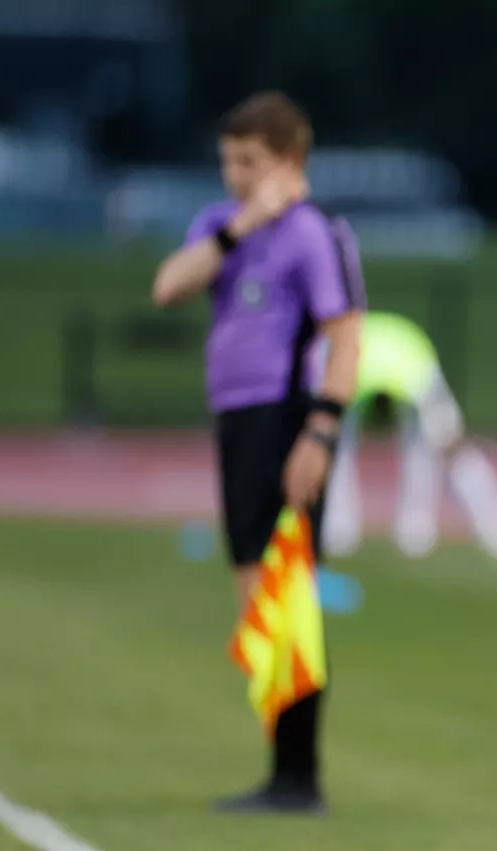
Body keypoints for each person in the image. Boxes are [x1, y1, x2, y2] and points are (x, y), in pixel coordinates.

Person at [151, 91, 365, 814]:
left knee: (286, 593)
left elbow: (345, 335)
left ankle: (297, 775)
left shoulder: (312, 233)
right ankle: (284, 769)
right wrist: (242, 223)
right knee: (256, 597)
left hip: (287, 419)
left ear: (289, 162)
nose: (235, 174)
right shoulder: (224, 226)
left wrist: (322, 431)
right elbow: (168, 287)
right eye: (228, 162)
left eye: (250, 162)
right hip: (239, 421)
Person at [321, 311, 497, 565]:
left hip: (415, 364)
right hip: (363, 362)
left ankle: (481, 530)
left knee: (443, 448)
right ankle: (340, 528)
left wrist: (447, 436)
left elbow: (448, 442)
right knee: (335, 446)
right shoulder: (348, 372)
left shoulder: (412, 376)